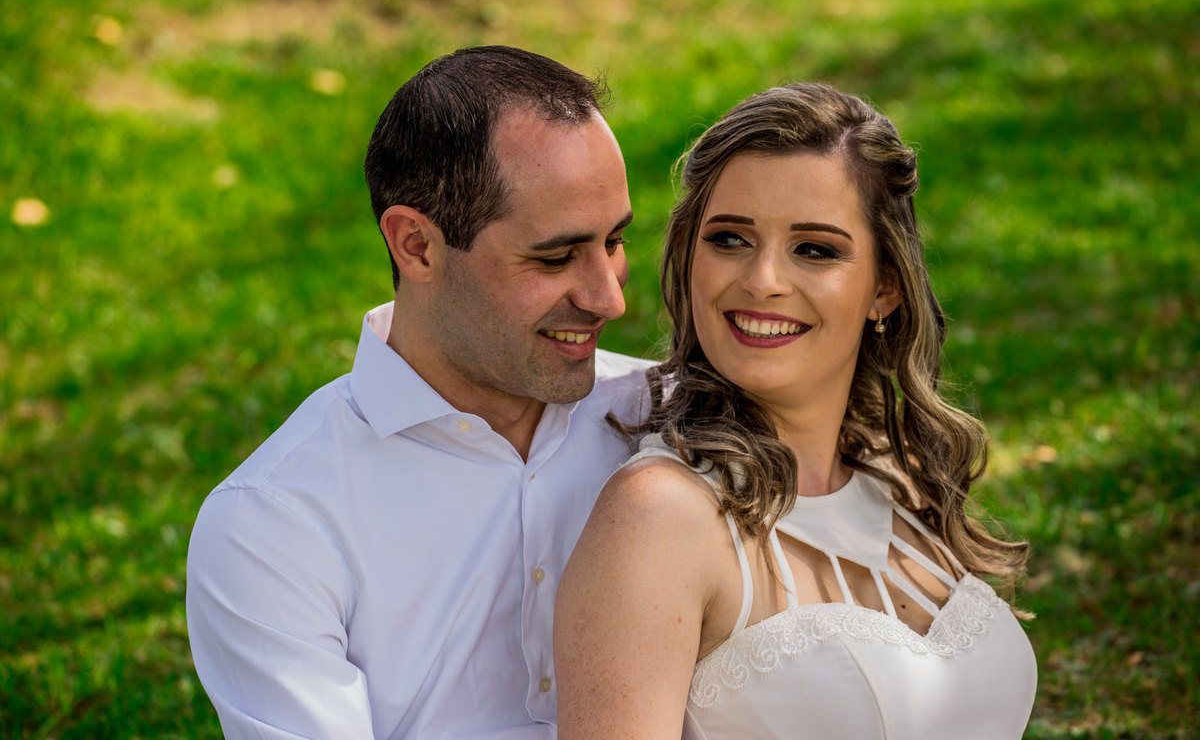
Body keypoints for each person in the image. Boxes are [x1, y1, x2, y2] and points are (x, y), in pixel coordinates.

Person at [186, 46, 651, 739]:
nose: (608, 298)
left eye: (613, 241)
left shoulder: (662, 418)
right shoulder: (274, 525)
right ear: (416, 246)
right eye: (555, 257)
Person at [554, 82, 1037, 739]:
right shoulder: (661, 516)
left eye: (815, 249)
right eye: (729, 239)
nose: (762, 281)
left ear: (885, 288)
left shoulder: (904, 471)